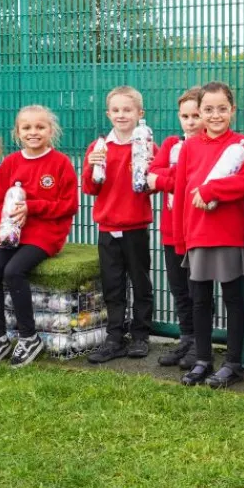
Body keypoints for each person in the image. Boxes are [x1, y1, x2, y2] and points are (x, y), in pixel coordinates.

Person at [173, 81, 244, 388]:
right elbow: (181, 191)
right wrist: (182, 239)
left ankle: (233, 362)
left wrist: (211, 189)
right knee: (200, 301)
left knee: (233, 299)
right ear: (199, 111)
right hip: (196, 235)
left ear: (232, 110)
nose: (215, 115)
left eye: (222, 109)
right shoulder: (190, 146)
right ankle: (203, 360)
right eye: (208, 109)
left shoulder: (243, 144)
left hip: (228, 234)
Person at [0, 105, 78, 367]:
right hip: (11, 234)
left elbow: (69, 205)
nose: (33, 132)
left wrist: (33, 207)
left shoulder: (61, 163)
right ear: (17, 132)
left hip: (45, 234)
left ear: (50, 130)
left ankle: (29, 337)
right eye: (27, 127)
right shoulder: (9, 164)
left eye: (40, 127)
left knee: (13, 271)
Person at [83, 86, 157, 363]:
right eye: (116, 110)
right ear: (108, 114)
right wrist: (91, 167)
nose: (121, 115)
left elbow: (152, 187)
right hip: (107, 228)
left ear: (140, 113)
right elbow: (90, 188)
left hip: (135, 226)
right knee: (112, 284)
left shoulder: (147, 144)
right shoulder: (99, 147)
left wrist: (149, 169)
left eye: (127, 110)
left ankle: (140, 335)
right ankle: (114, 336)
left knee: (140, 282)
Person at [148, 87, 203, 369]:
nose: (191, 121)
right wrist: (173, 179)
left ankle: (200, 345)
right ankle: (186, 337)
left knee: (198, 291)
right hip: (171, 231)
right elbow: (152, 176)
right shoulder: (171, 144)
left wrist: (169, 179)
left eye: (196, 115)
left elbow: (192, 180)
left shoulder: (207, 148)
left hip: (197, 232)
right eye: (185, 116)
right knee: (179, 288)